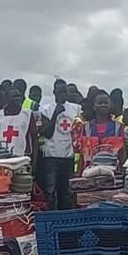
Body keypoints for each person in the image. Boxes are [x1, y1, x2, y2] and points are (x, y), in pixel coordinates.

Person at [38, 80, 82, 210]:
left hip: (69, 156)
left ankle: (66, 220)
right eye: (59, 91)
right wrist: (56, 113)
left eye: (64, 91)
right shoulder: (45, 109)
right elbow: (47, 133)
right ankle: (51, 219)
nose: (62, 94)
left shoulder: (76, 109)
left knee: (67, 192)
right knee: (50, 192)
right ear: (54, 92)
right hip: (51, 156)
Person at [79, 92, 125, 169]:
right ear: (94, 106)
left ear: (110, 106)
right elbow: (82, 153)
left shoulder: (118, 126)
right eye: (100, 103)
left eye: (106, 103)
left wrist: (123, 169)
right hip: (90, 171)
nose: (103, 105)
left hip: (113, 170)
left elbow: (122, 151)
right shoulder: (86, 127)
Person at [0, 86, 37, 158]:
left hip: (22, 157)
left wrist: (34, 163)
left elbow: (34, 140)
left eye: (19, 96)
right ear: (7, 98)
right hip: (2, 157)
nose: (18, 99)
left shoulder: (27, 114)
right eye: (14, 96)